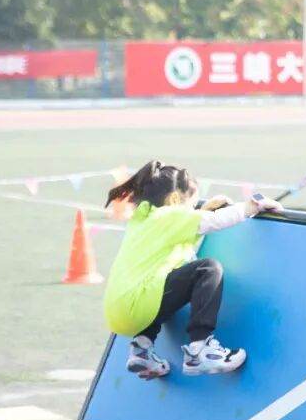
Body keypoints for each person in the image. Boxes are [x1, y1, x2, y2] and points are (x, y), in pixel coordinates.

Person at [103, 160, 282, 380]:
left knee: (160, 285)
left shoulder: (143, 220)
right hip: (139, 306)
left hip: (119, 315)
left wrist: (201, 211)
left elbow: (182, 246)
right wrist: (252, 206)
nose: (192, 210)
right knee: (207, 269)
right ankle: (200, 350)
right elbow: (215, 221)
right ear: (175, 199)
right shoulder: (168, 216)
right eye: (191, 204)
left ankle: (141, 350)